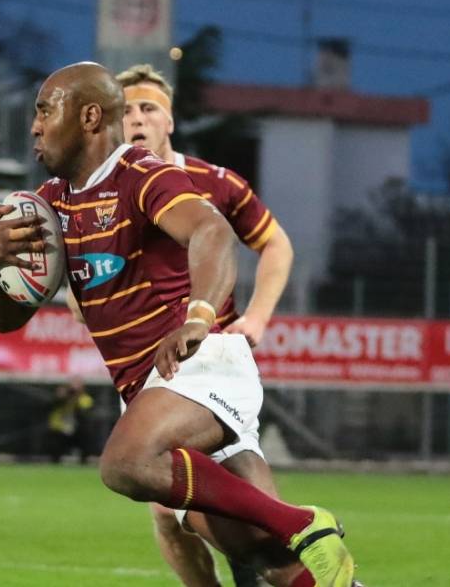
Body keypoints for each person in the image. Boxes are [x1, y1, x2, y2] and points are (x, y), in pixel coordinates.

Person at [0, 62, 354, 587]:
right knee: (268, 562)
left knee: (124, 464)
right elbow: (6, 318)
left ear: (90, 117)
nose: (34, 126)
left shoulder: (141, 174)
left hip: (198, 364)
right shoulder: (49, 206)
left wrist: (199, 316)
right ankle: (309, 546)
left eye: (44, 111)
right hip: (152, 390)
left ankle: (301, 521)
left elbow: (212, 232)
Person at [114, 62, 298, 587]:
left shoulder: (213, 183)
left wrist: (256, 317)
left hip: (208, 358)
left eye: (148, 108)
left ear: (169, 121)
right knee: (171, 513)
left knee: (182, 495)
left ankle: (276, 555)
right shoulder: (103, 193)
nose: (137, 118)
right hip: (143, 367)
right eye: (125, 110)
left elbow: (276, 244)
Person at [46, 378, 94, 464]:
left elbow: (84, 412)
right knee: (54, 441)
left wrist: (75, 398)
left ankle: (84, 461)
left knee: (86, 436)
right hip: (60, 428)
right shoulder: (62, 397)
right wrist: (62, 396)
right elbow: (51, 405)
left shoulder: (85, 398)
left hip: (77, 428)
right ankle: (55, 461)